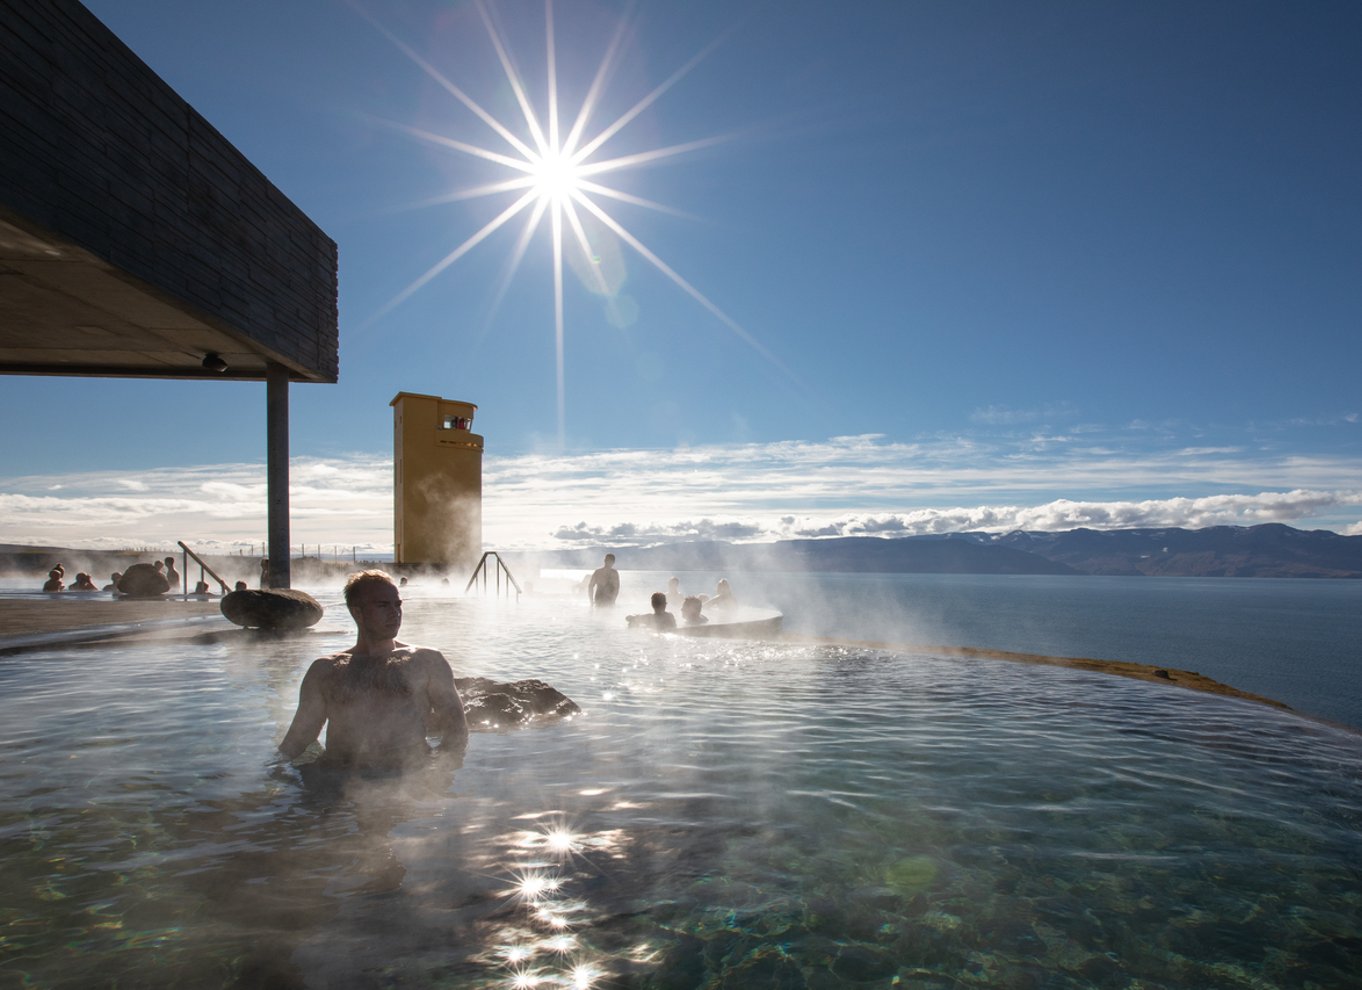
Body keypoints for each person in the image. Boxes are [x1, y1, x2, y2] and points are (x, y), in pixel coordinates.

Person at [279, 570, 468, 770]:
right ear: (357, 612)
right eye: (382, 605)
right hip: (338, 776)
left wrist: (438, 775)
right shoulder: (326, 670)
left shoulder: (426, 661)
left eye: (397, 605)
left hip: (407, 775)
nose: (395, 613)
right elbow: (298, 740)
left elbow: (456, 729)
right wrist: (270, 779)